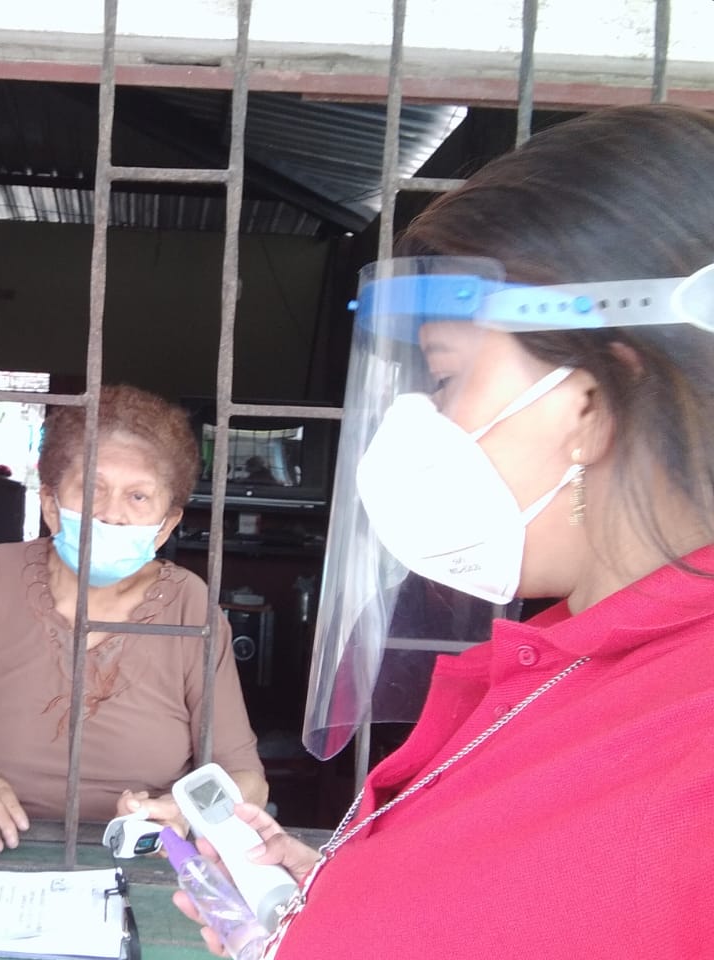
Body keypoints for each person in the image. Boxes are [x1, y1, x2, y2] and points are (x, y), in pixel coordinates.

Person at [175, 103, 714, 958]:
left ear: (591, 404)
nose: (419, 425)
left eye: (446, 377)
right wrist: (332, 902)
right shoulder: (564, 660)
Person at [0, 384, 267, 852]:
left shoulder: (190, 606)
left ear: (166, 526)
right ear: (51, 505)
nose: (111, 515)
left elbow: (247, 779)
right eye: (92, 489)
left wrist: (183, 814)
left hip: (141, 854)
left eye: (138, 497)